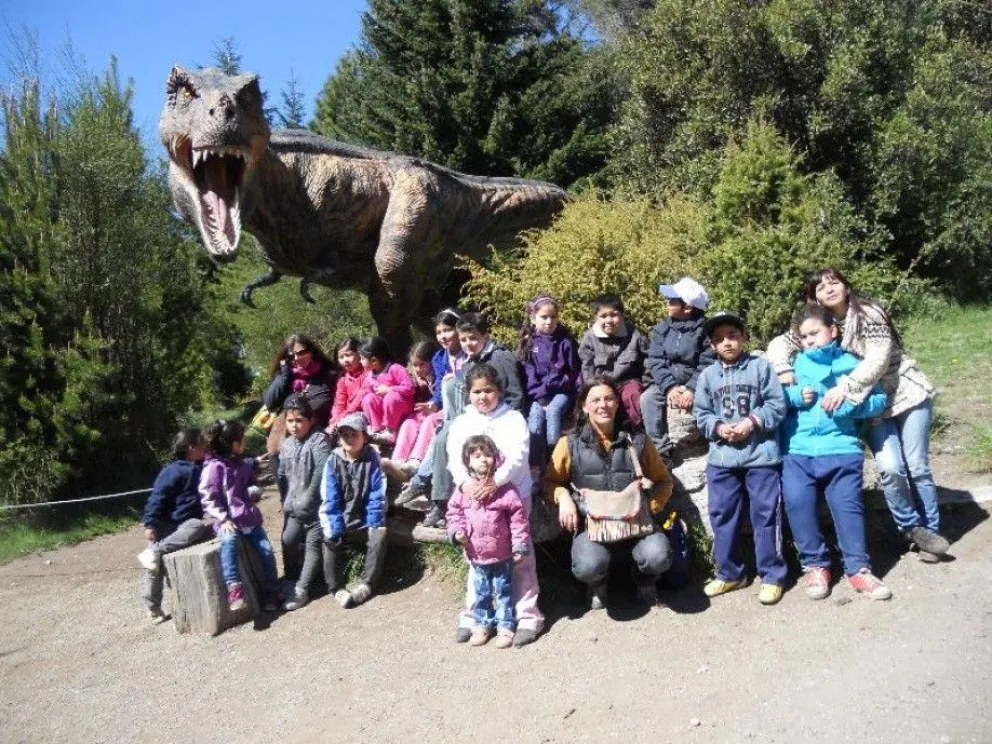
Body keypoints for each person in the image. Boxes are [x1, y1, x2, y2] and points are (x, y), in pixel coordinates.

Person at [767, 268, 947, 562]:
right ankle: (911, 528)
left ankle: (931, 532)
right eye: (820, 287)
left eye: (834, 282)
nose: (828, 289)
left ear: (847, 287)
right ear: (813, 298)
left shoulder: (868, 313)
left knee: (917, 465)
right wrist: (785, 372)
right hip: (871, 403)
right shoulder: (819, 323)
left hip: (903, 393)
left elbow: (877, 359)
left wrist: (846, 388)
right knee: (890, 467)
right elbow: (780, 344)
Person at [781, 307, 892, 601]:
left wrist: (851, 403)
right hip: (798, 449)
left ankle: (858, 569)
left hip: (841, 447)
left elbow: (880, 399)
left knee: (848, 507)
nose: (809, 341)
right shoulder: (792, 365)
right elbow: (773, 398)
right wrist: (794, 396)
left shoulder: (853, 363)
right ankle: (816, 565)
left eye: (815, 333)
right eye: (804, 337)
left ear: (833, 330)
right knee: (797, 502)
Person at [544, 377, 675, 610]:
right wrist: (563, 497)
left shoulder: (638, 441)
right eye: (595, 400)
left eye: (609, 398)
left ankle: (644, 581)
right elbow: (550, 482)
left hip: (637, 525)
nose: (602, 404)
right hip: (593, 527)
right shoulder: (569, 444)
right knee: (588, 565)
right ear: (584, 406)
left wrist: (649, 507)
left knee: (658, 556)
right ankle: (597, 584)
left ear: (617, 403)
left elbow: (664, 481)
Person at [693, 311, 788, 605]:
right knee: (722, 513)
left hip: (760, 456)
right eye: (719, 339)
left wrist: (751, 422)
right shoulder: (708, 376)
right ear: (712, 346)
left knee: (765, 513)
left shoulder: (761, 368)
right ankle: (730, 572)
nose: (727, 343)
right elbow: (701, 413)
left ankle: (772, 575)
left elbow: (777, 404)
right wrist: (719, 427)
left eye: (732, 336)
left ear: (744, 337)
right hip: (722, 458)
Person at [446, 364, 544, 646]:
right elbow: (454, 456)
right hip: (474, 499)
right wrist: (465, 483)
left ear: (499, 391)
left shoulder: (513, 419)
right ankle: (475, 616)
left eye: (488, 390)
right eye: (477, 391)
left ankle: (527, 615)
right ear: (468, 393)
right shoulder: (462, 423)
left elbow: (518, 456)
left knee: (520, 556)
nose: (483, 396)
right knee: (477, 557)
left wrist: (496, 482)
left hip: (510, 496)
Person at [412, 312, 526, 528]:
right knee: (442, 441)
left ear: (485, 335)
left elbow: (516, 395)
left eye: (473, 338)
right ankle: (441, 503)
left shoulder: (501, 358)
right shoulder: (468, 363)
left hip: (500, 419)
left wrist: (503, 421)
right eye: (463, 340)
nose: (468, 344)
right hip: (472, 417)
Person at [446, 434, 531, 648]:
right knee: (481, 592)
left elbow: (517, 519)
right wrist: (457, 532)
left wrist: (520, 544)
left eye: (487, 455)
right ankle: (482, 625)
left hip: (501, 553)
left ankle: (505, 626)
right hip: (476, 554)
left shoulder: (505, 489)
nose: (483, 460)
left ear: (496, 458)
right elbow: (454, 514)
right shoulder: (463, 490)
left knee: (502, 590)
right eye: (476, 456)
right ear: (468, 461)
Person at [199, 420, 280, 612]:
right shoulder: (214, 468)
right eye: (242, 439)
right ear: (233, 444)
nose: (244, 443)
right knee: (229, 541)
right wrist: (222, 518)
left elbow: (250, 482)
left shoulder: (242, 464)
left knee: (267, 552)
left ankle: (273, 591)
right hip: (228, 520)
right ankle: (234, 587)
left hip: (248, 519)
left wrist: (253, 491)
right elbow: (208, 497)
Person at [138, 429, 213, 624]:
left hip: (184, 525)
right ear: (191, 448)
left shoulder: (201, 466)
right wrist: (151, 523)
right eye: (202, 443)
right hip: (164, 525)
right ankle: (152, 608)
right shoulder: (172, 471)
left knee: (197, 526)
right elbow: (157, 497)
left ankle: (157, 551)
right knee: (154, 568)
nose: (206, 446)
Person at [640, 278, 716, 459]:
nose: (667, 303)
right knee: (648, 398)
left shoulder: (705, 330)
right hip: (667, 382)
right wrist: (670, 387)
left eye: (672, 301)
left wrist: (691, 388)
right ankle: (660, 450)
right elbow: (656, 359)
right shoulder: (662, 329)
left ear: (687, 307)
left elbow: (707, 362)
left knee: (706, 402)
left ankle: (716, 439)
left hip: (696, 382)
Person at [319, 412, 388, 608]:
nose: (348, 439)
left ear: (364, 437)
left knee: (379, 535)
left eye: (353, 434)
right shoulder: (333, 461)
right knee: (329, 538)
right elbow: (329, 497)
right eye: (344, 435)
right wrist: (334, 524)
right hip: (341, 517)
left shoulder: (373, 459)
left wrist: (374, 521)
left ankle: (368, 584)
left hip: (365, 519)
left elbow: (377, 492)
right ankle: (335, 587)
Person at [278, 394, 332, 611]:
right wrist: (287, 501)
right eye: (290, 421)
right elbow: (283, 475)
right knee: (288, 540)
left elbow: (321, 470)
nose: (294, 425)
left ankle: (303, 588)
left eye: (299, 420)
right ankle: (291, 578)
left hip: (316, 506)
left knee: (313, 545)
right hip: (294, 505)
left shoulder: (318, 439)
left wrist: (309, 498)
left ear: (310, 420)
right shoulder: (287, 444)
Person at [516, 294, 582, 458]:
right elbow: (528, 374)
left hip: (561, 392)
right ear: (533, 319)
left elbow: (574, 371)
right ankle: (535, 461)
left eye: (553, 317)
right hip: (537, 394)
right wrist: (541, 397)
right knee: (536, 414)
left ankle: (554, 457)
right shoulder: (529, 344)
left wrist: (577, 394)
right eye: (543, 317)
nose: (549, 321)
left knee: (553, 411)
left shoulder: (565, 342)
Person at [263, 334, 336, 477]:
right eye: (291, 356)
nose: (296, 358)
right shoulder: (286, 376)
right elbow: (270, 403)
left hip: (319, 431)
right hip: (288, 433)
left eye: (301, 353)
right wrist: (284, 375)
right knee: (275, 449)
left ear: (311, 352)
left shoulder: (328, 375)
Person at [577, 294, 649, 428]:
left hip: (627, 382)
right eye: (603, 316)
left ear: (622, 315)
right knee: (600, 402)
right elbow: (587, 367)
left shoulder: (634, 334)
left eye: (614, 315)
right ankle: (604, 432)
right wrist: (591, 389)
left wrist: (647, 383)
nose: (609, 320)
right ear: (596, 317)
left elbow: (647, 361)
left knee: (633, 394)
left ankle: (634, 431)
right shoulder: (590, 338)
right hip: (601, 384)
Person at [382, 341, 443, 484]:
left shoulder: (438, 375)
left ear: (432, 362)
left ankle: (415, 462)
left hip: (438, 412)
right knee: (409, 422)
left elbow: (440, 396)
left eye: (422, 364)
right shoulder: (412, 375)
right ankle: (397, 460)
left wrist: (427, 387)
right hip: (421, 412)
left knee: (429, 422)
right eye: (415, 365)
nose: (418, 368)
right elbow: (408, 389)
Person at [358, 336, 415, 446]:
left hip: (402, 409)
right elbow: (368, 396)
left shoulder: (395, 369)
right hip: (384, 414)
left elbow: (410, 388)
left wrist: (390, 389)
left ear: (374, 360)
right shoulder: (370, 376)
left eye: (362, 358)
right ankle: (377, 431)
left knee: (391, 396)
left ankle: (390, 432)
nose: (360, 362)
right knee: (368, 398)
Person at [328, 337, 368, 436]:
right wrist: (336, 419)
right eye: (341, 357)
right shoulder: (342, 378)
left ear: (359, 354)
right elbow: (340, 402)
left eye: (348, 355)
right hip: (346, 414)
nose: (345, 360)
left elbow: (359, 400)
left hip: (363, 412)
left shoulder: (368, 373)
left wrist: (342, 417)